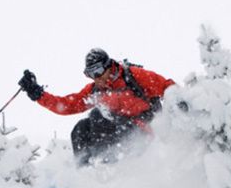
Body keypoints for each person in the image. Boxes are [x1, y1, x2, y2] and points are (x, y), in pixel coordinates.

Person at [19, 48, 175, 166]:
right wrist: (37, 93)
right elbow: (68, 105)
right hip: (116, 132)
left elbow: (167, 86)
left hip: (143, 132)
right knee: (81, 128)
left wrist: (181, 102)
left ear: (109, 66)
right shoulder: (96, 90)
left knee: (98, 116)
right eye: (91, 74)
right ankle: (86, 174)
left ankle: (105, 169)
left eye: (99, 71)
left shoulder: (133, 77)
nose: (96, 78)